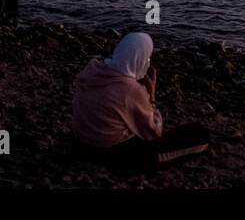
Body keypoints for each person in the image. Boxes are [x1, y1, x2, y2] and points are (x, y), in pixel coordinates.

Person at [71, 31, 210, 171]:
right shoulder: (130, 90)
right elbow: (153, 132)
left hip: (81, 144)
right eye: (148, 57)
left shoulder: (92, 71)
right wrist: (150, 95)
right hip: (112, 155)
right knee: (200, 135)